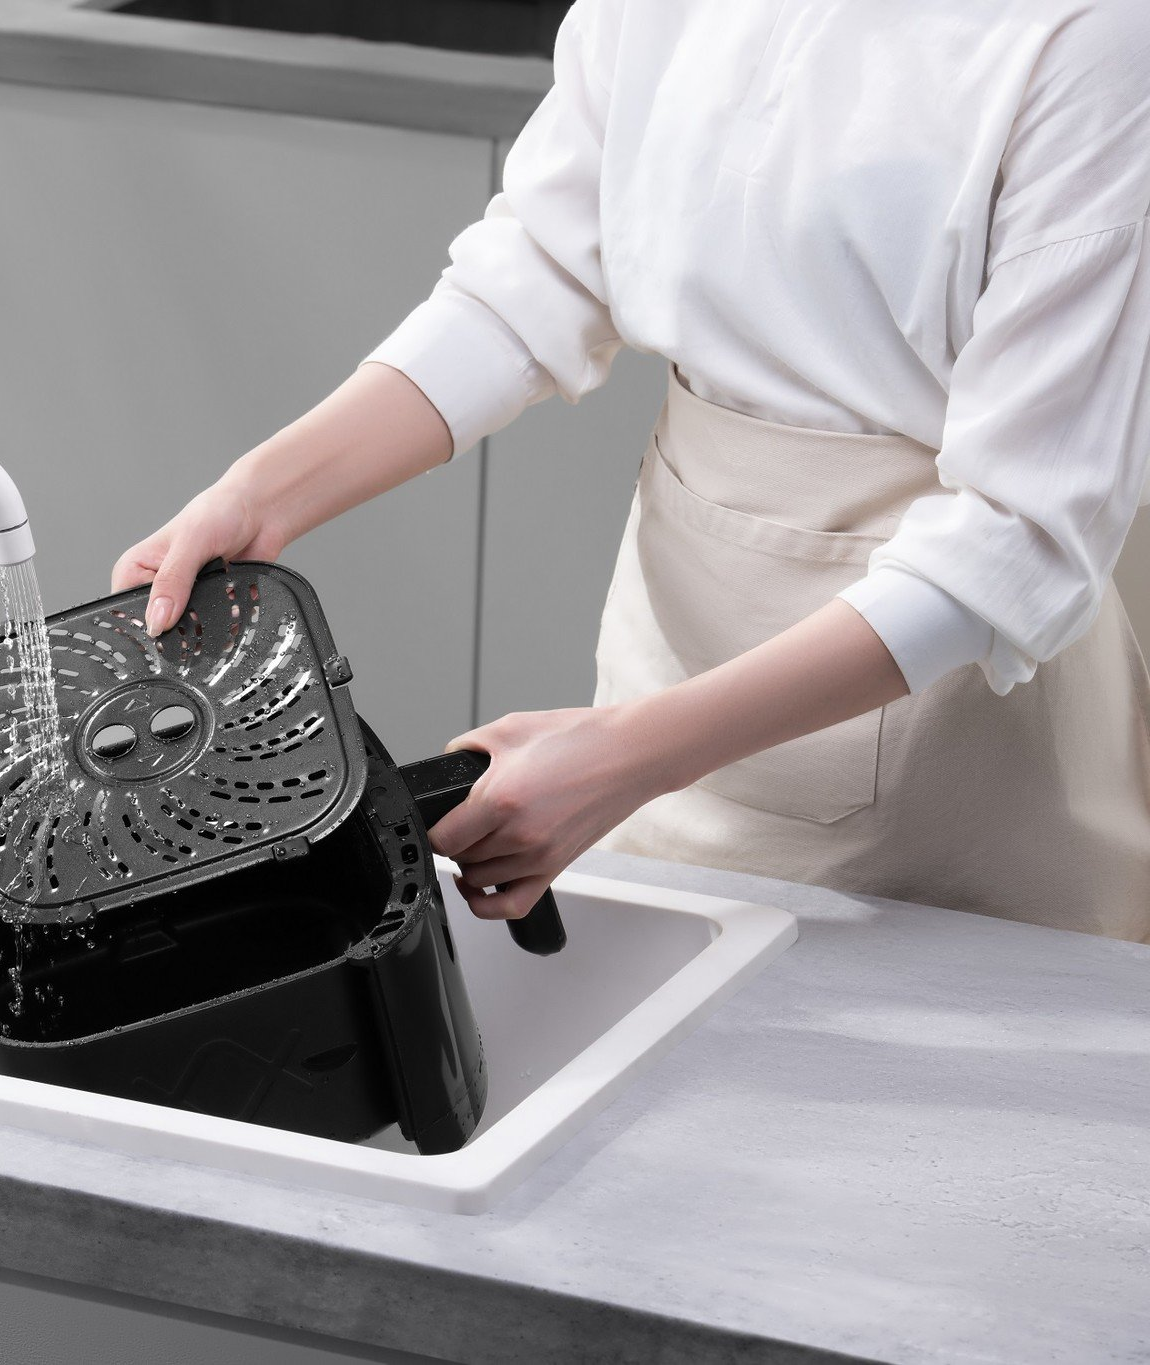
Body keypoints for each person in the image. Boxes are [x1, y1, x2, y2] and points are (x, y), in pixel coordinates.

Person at [112, 0, 1150, 941]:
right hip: (663, 673)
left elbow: (1017, 538)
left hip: (952, 747)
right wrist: (261, 493)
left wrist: (626, 757)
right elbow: (533, 283)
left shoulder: (1091, 42)